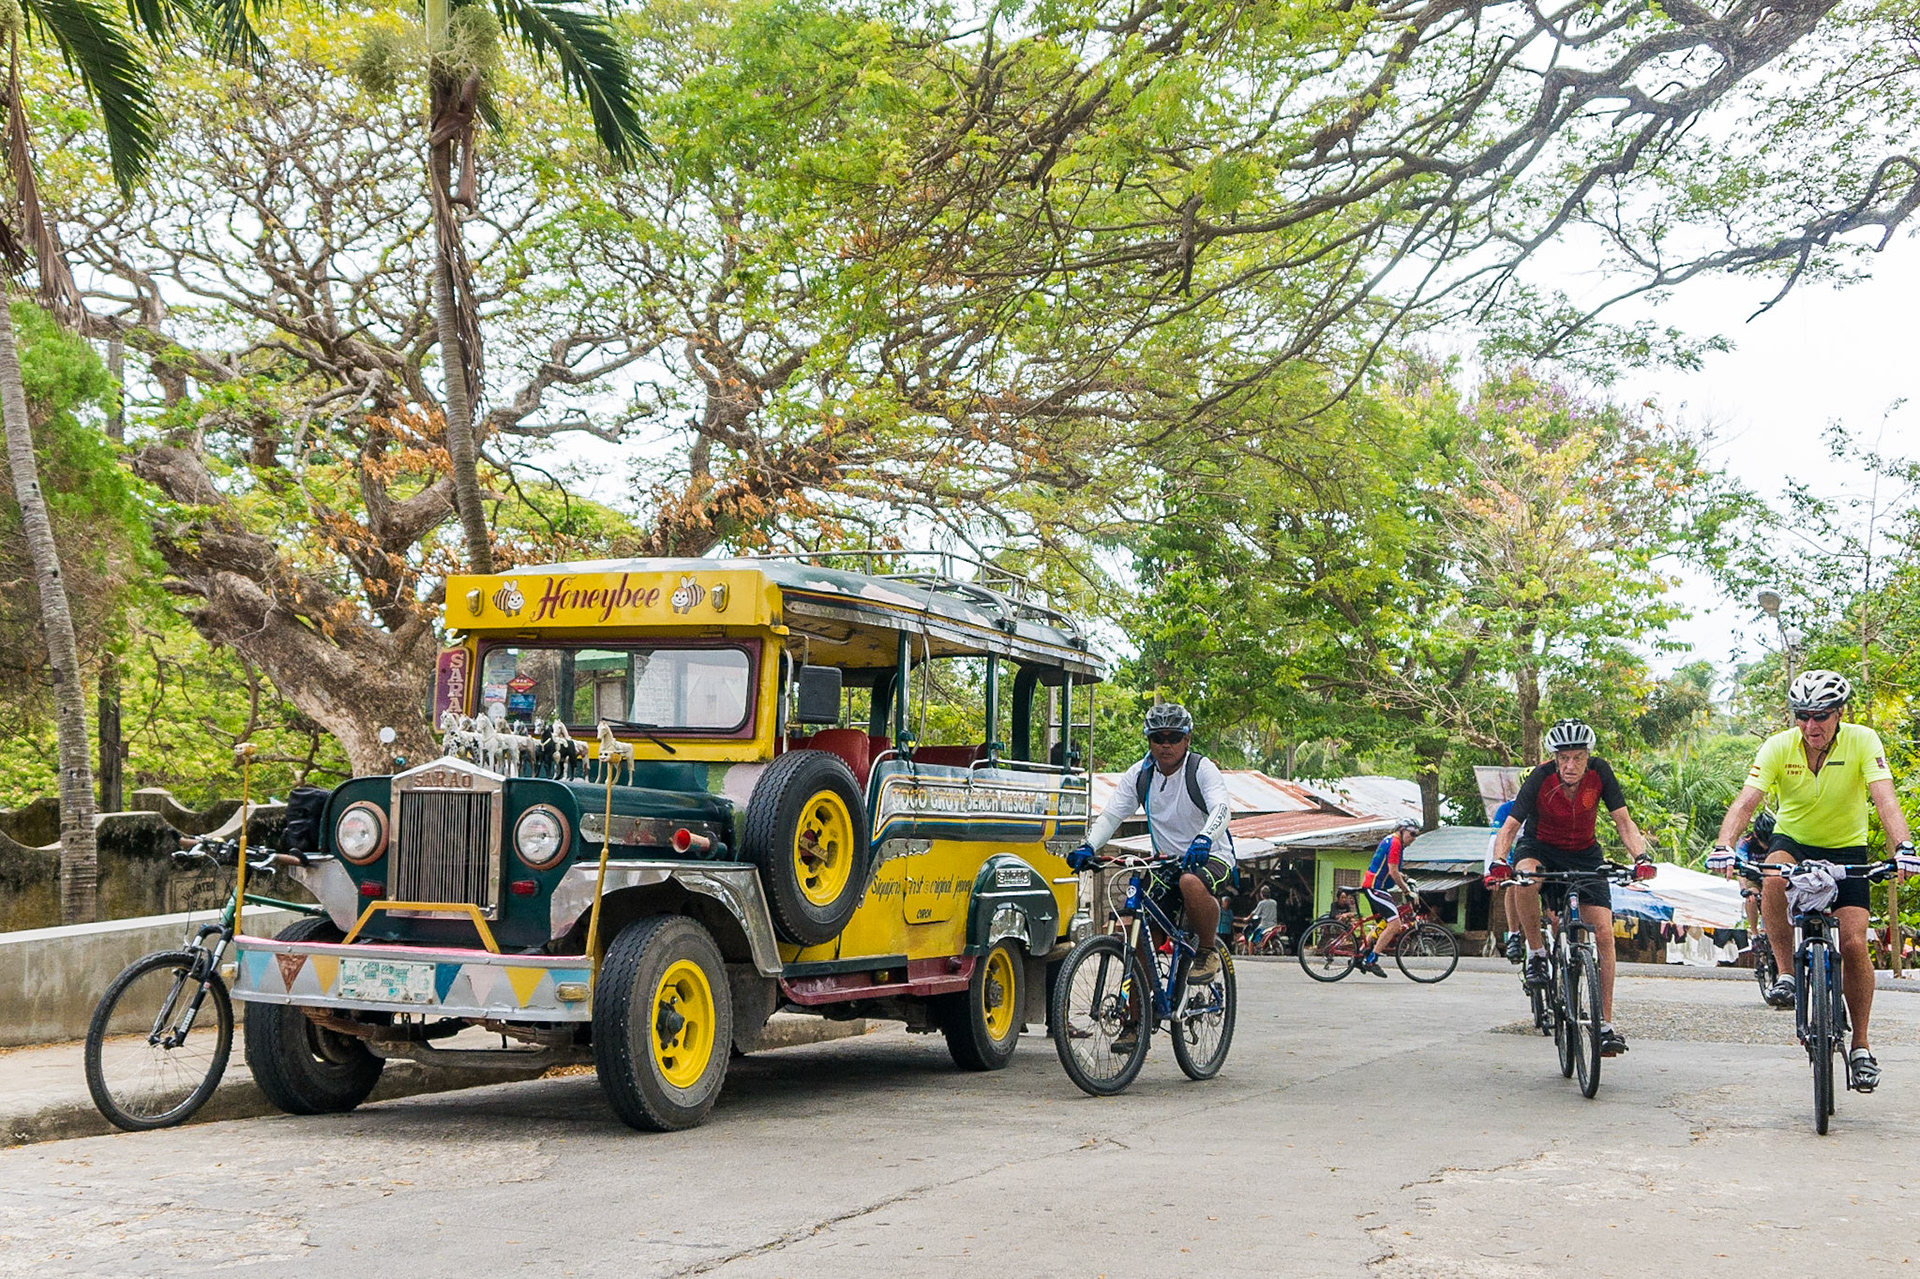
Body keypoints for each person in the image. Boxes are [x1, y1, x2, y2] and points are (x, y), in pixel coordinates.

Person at [1708, 670, 1919, 1092]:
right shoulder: (1777, 747)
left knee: (1856, 943)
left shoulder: (1863, 741)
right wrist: (1724, 845)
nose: (1811, 726)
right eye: (1803, 716)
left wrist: (1904, 848)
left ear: (1839, 713)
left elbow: (1885, 800)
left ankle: (1860, 1046)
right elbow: (1746, 803)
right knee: (1771, 874)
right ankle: (1787, 972)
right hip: (1795, 843)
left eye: (1821, 715)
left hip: (1846, 849)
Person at [1490, 718, 1651, 1057]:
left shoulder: (1601, 773)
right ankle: (1536, 952)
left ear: (1587, 756)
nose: (1570, 765)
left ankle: (1605, 1025)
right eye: (1564, 757)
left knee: (1604, 932)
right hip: (1541, 847)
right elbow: (1509, 828)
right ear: (1554, 757)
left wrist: (1641, 857)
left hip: (1584, 852)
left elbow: (1623, 821)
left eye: (1578, 757)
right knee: (1525, 877)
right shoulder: (1540, 777)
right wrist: (1498, 861)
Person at [1067, 702, 1235, 1011]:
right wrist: (1088, 846)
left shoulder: (1201, 769)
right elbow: (1112, 815)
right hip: (1165, 863)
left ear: (1187, 739)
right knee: (1139, 937)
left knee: (1189, 883)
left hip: (1211, 854)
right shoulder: (1140, 775)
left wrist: (1204, 838)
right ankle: (1134, 1024)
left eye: (1174, 737)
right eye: (1158, 738)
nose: (1166, 744)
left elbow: (1222, 809)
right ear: (1149, 741)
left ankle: (1207, 951)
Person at [1355, 821, 1419, 977]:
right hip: (1374, 887)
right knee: (1395, 924)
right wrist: (1406, 891)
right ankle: (1371, 959)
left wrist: (1405, 878)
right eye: (1412, 834)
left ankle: (1362, 952)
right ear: (1402, 830)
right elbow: (1392, 871)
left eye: (1416, 835)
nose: (1414, 838)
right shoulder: (1396, 843)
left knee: (1386, 922)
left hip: (1375, 886)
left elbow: (1388, 867)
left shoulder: (1392, 840)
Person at [1248, 884, 1281, 949]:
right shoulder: (1274, 902)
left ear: (1262, 894)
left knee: (1250, 940)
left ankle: (1250, 956)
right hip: (1273, 925)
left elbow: (1254, 912)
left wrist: (1248, 918)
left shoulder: (1262, 903)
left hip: (1264, 926)